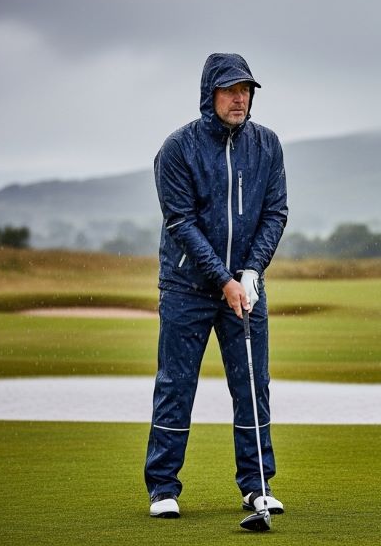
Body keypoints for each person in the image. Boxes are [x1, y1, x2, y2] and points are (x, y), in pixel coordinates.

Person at [144, 53, 288, 519]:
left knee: (252, 384)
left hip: (243, 286)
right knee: (176, 384)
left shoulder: (267, 146)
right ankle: (163, 487)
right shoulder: (178, 148)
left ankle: (257, 484)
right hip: (187, 286)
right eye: (230, 90)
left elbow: (275, 213)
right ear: (210, 95)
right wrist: (224, 279)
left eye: (246, 90)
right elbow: (181, 222)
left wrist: (250, 271)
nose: (240, 98)